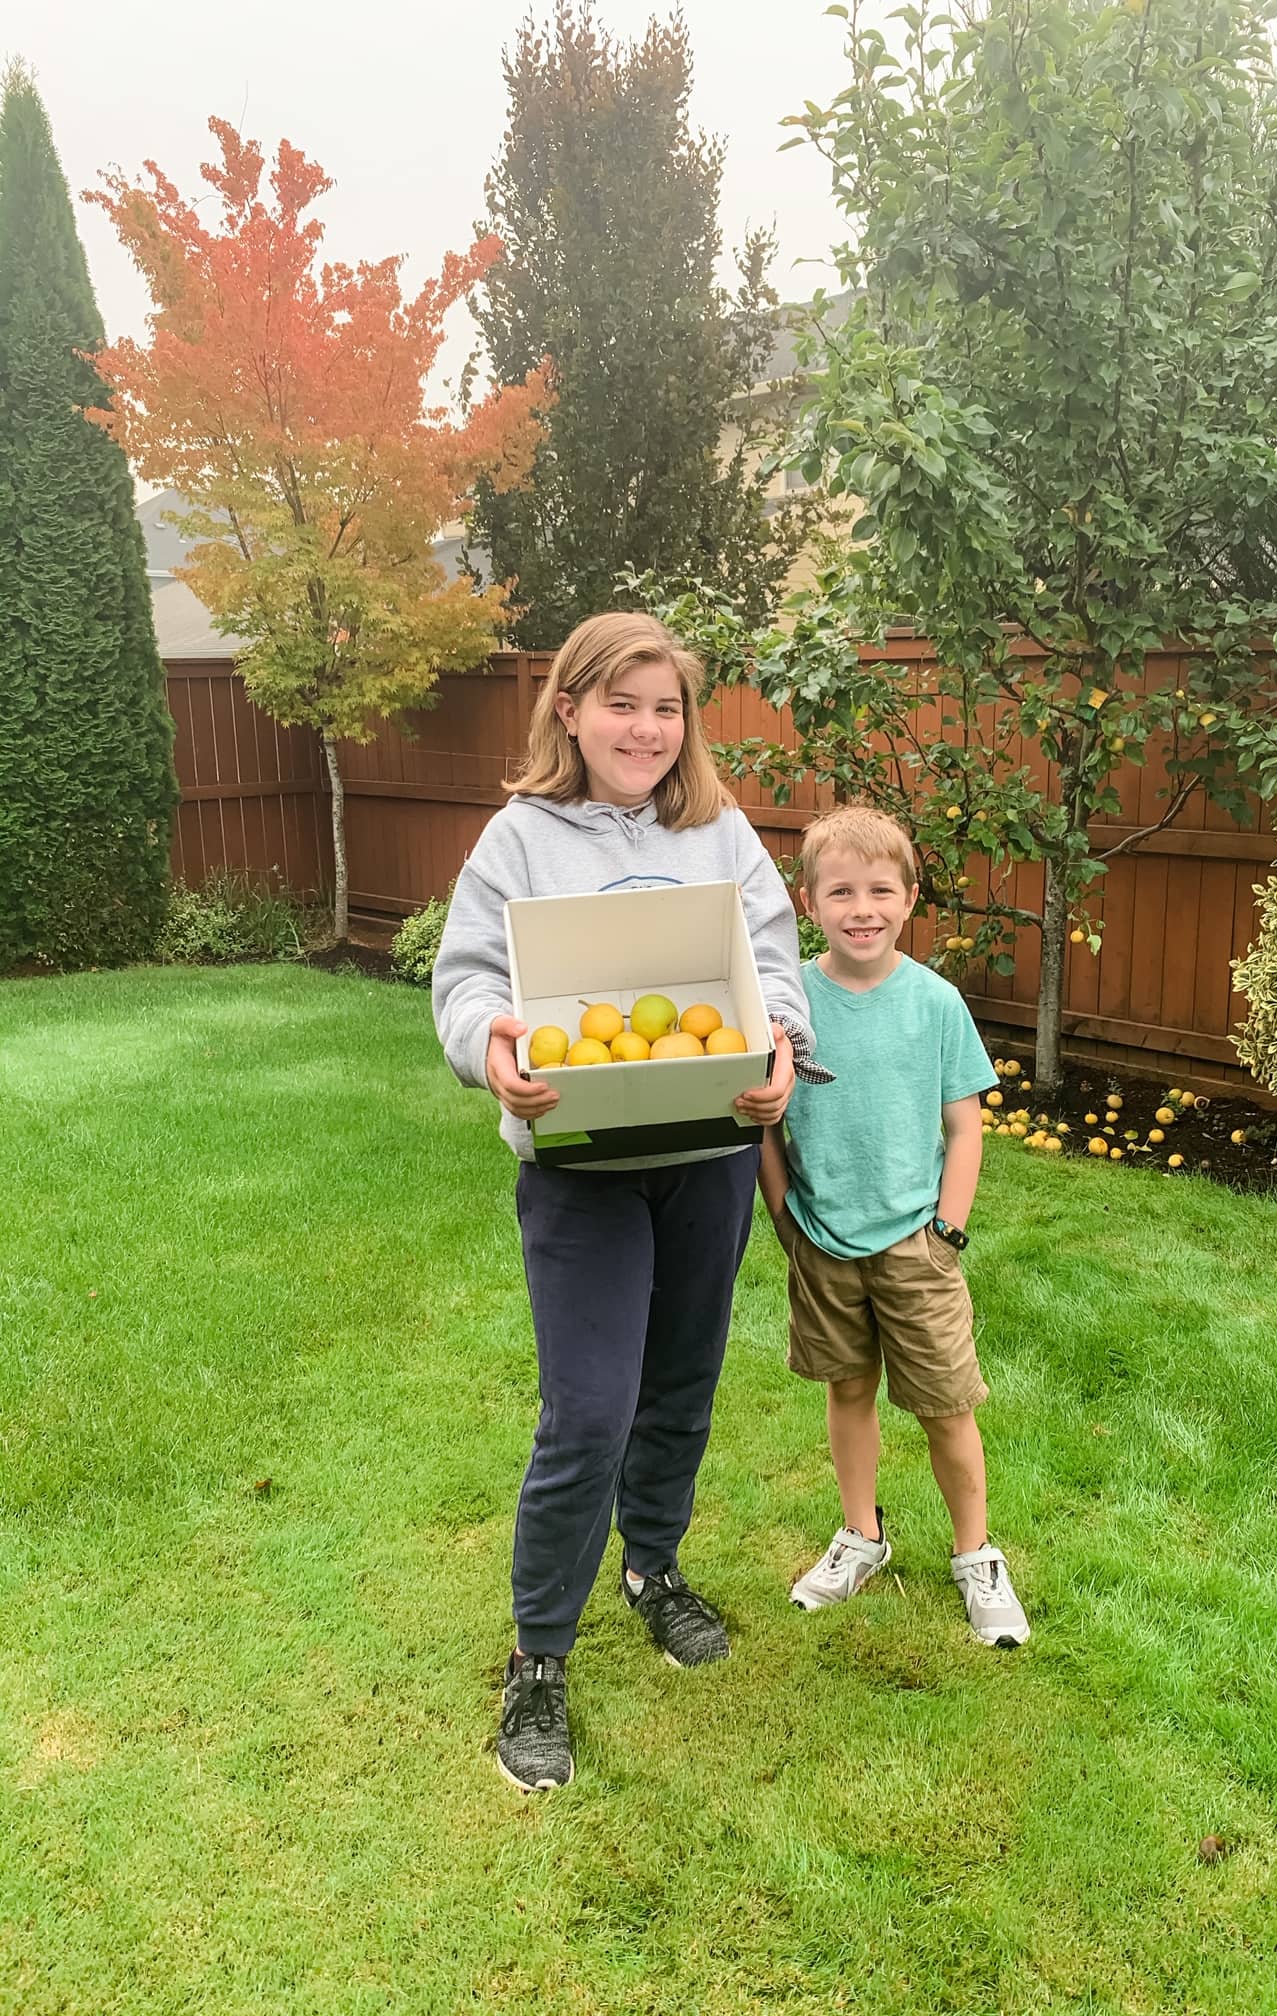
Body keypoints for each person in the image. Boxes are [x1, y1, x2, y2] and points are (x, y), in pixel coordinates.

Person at [433, 611, 827, 1793]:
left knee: (680, 1385)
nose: (646, 730)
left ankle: (651, 1567)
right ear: (569, 709)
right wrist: (488, 1047)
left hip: (708, 1151)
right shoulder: (518, 840)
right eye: (622, 704)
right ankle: (539, 1654)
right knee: (588, 1412)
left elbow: (774, 967)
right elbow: (467, 984)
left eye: (667, 709)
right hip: (580, 1168)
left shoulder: (721, 835)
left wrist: (783, 1052)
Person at [758, 805, 1031, 1648]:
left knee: (947, 1405)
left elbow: (965, 1128)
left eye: (881, 890)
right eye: (840, 891)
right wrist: (785, 1220)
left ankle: (977, 1556)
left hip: (916, 1243)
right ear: (810, 904)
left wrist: (946, 1233)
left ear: (910, 899)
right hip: (822, 1238)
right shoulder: (788, 999)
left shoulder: (936, 1003)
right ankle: (860, 1537)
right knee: (848, 1390)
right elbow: (764, 1121)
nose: (861, 908)